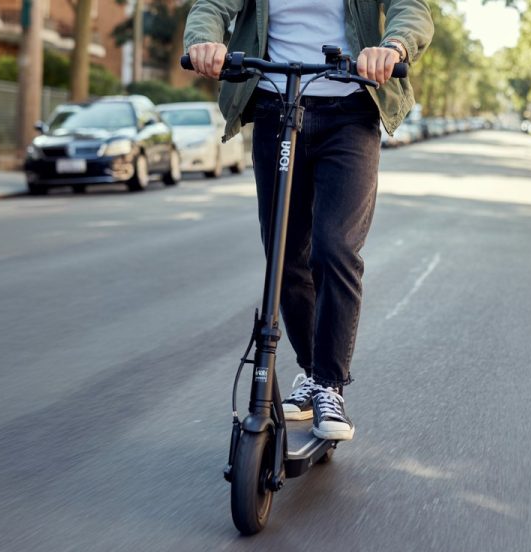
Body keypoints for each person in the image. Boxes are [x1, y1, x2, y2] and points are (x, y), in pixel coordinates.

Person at [184, 0, 433, 441]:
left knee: (335, 247)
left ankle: (330, 386)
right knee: (283, 253)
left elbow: (409, 7)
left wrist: (392, 46)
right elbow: (212, 5)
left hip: (351, 109)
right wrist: (203, 39)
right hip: (275, 107)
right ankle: (314, 375)